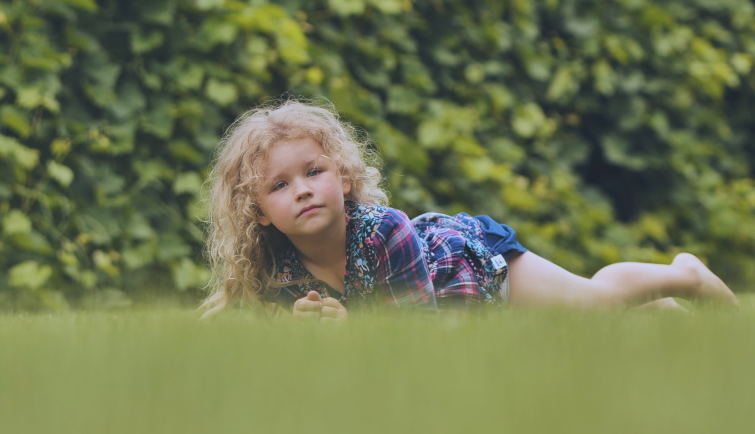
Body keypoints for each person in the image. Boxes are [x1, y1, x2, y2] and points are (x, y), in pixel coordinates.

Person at [198, 99, 738, 320]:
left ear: (342, 177)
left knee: (592, 304)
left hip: (472, 267)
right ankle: (651, 314)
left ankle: (683, 275)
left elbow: (418, 336)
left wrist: (349, 334)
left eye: (314, 172)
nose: (303, 190)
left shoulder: (385, 232)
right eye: (280, 185)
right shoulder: (278, 270)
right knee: (588, 334)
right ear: (260, 213)